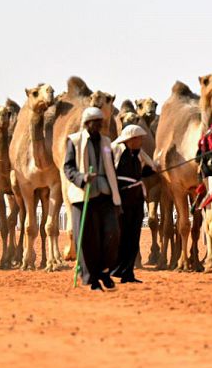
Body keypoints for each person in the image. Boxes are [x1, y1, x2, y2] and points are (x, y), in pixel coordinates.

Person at [63, 107, 122, 291]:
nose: (99, 125)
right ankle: (91, 279)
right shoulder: (75, 141)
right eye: (96, 121)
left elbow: (111, 167)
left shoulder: (106, 142)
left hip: (105, 194)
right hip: (84, 196)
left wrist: (116, 194)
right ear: (87, 123)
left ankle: (104, 271)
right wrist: (81, 178)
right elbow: (68, 168)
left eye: (100, 121)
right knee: (88, 240)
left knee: (112, 235)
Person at [111, 124, 156, 283]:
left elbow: (145, 170)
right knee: (121, 237)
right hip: (121, 199)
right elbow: (110, 173)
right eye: (140, 138)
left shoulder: (138, 154)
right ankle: (116, 269)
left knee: (133, 237)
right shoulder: (116, 151)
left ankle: (128, 273)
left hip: (136, 199)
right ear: (131, 139)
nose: (142, 141)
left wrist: (151, 171)